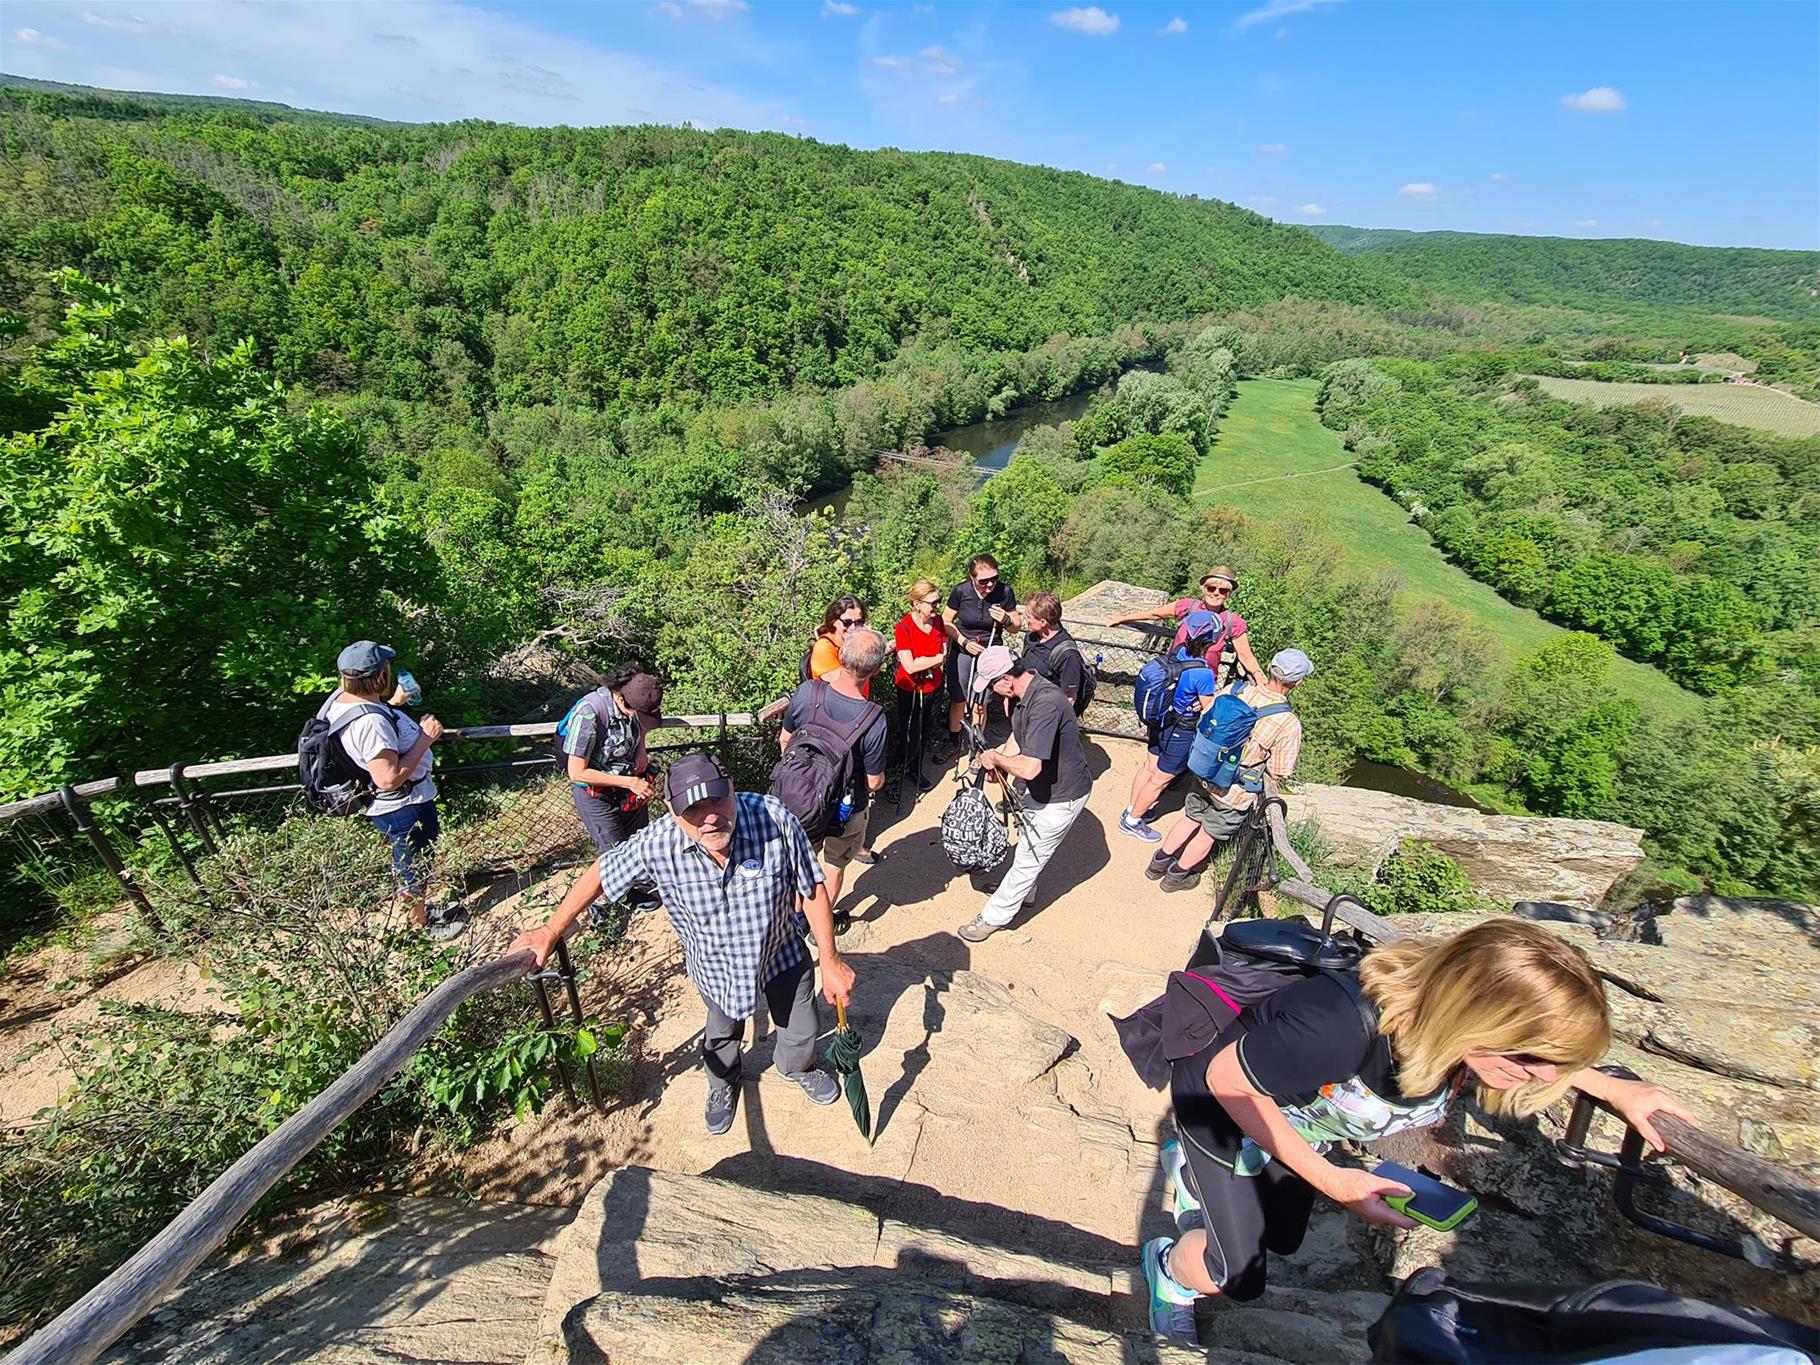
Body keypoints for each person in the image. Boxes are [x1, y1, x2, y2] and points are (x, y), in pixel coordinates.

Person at [1140, 918, 1696, 1346]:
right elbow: (1228, 1080)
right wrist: (1333, 1180)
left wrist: (1609, 1085)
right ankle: (1170, 1268)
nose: (1543, 1077)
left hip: (1298, 1110)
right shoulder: (1340, 1028)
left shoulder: (1461, 1041)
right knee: (1237, 1272)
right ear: (1473, 1019)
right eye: (1530, 1055)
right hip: (1224, 1100)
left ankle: (1195, 1176)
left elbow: (1541, 1052)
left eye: (1556, 1063)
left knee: (1283, 1237)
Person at [509, 752, 856, 1136]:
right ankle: (723, 1082)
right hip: (716, 966)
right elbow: (601, 874)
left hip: (782, 951)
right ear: (672, 812)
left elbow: (811, 887)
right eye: (693, 809)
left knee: (802, 1028)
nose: (710, 817)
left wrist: (830, 960)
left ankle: (798, 1067)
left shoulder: (772, 816)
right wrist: (550, 931)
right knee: (722, 1033)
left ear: (732, 790)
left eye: (717, 801)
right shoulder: (658, 843)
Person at [322, 640, 463, 940]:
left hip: (395, 805)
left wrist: (394, 703)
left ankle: (421, 911)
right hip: (402, 805)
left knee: (410, 860)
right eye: (385, 668)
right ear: (377, 676)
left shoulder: (344, 701)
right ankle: (419, 928)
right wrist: (426, 739)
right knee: (412, 864)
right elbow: (387, 777)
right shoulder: (371, 722)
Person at [955, 646, 1093, 943]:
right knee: (1028, 846)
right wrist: (1002, 759)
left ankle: (992, 918)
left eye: (992, 685)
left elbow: (1030, 768)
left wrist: (998, 759)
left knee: (1028, 859)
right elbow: (1018, 736)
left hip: (1062, 795)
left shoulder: (1045, 704)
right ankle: (1026, 892)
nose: (991, 693)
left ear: (1006, 678)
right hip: (1044, 790)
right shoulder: (1023, 694)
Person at [1148, 648, 1312, 892]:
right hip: (1234, 790)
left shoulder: (1236, 690)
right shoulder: (1288, 723)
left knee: (1190, 817)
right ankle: (1176, 876)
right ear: (1296, 683)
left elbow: (1206, 718)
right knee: (1208, 833)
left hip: (1204, 770)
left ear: (1270, 668)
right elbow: (1278, 771)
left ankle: (1157, 864)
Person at [780, 625, 890, 908]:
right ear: (876, 670)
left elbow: (785, 739)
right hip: (846, 808)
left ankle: (794, 919)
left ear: (840, 655)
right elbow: (874, 781)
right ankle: (821, 927)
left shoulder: (807, 692)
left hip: (801, 800)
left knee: (799, 864)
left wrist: (803, 778)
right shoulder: (873, 719)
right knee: (833, 865)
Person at [562, 666, 665, 915]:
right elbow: (577, 772)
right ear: (620, 697)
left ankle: (635, 885)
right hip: (594, 791)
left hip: (627, 781)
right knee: (613, 847)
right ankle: (610, 898)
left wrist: (641, 749)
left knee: (638, 837)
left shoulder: (632, 706)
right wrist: (629, 783)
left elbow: (639, 727)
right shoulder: (589, 714)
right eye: (636, 713)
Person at [1119, 610, 1228, 844]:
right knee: (1161, 778)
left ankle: (1132, 808)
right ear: (1211, 641)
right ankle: (1133, 821)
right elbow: (1209, 710)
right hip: (1181, 730)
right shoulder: (1203, 672)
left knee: (1149, 768)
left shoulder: (1176, 655)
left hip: (1161, 722)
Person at [1106, 567, 1263, 685]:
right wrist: (1123, 618)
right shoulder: (1188, 607)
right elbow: (1156, 614)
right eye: (1211, 588)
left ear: (1228, 595)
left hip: (1201, 683)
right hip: (1172, 674)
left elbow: (1246, 655)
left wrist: (1261, 678)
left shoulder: (1232, 621)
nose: (1216, 593)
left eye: (1222, 591)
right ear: (1204, 590)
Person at [942, 554, 1021, 751]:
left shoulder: (1005, 592)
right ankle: (954, 743)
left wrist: (1006, 620)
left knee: (980, 702)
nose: (990, 585)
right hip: (963, 650)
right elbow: (945, 622)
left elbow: (1016, 627)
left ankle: (976, 747)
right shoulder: (961, 591)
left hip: (991, 654)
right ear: (971, 577)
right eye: (983, 581)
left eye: (994, 578)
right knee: (959, 699)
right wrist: (963, 641)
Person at [892, 579, 947, 794]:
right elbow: (910, 665)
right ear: (917, 603)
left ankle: (915, 768)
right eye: (932, 603)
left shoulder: (938, 622)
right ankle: (897, 772)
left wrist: (930, 660)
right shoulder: (904, 627)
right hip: (911, 689)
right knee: (910, 732)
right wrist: (935, 659)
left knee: (925, 730)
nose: (937, 607)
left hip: (933, 686)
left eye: (938, 602)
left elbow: (940, 653)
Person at [1018, 591, 1088, 711]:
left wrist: (1048, 721)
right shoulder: (1032, 636)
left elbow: (1069, 697)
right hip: (1026, 707)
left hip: (1047, 713)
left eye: (1028, 616)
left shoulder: (1067, 654)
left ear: (1043, 622)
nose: (1025, 619)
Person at [808, 596, 872, 697]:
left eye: (859, 622)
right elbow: (845, 685)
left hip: (858, 703)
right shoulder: (823, 648)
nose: (853, 628)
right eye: (847, 622)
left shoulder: (852, 643)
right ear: (834, 621)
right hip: (834, 708)